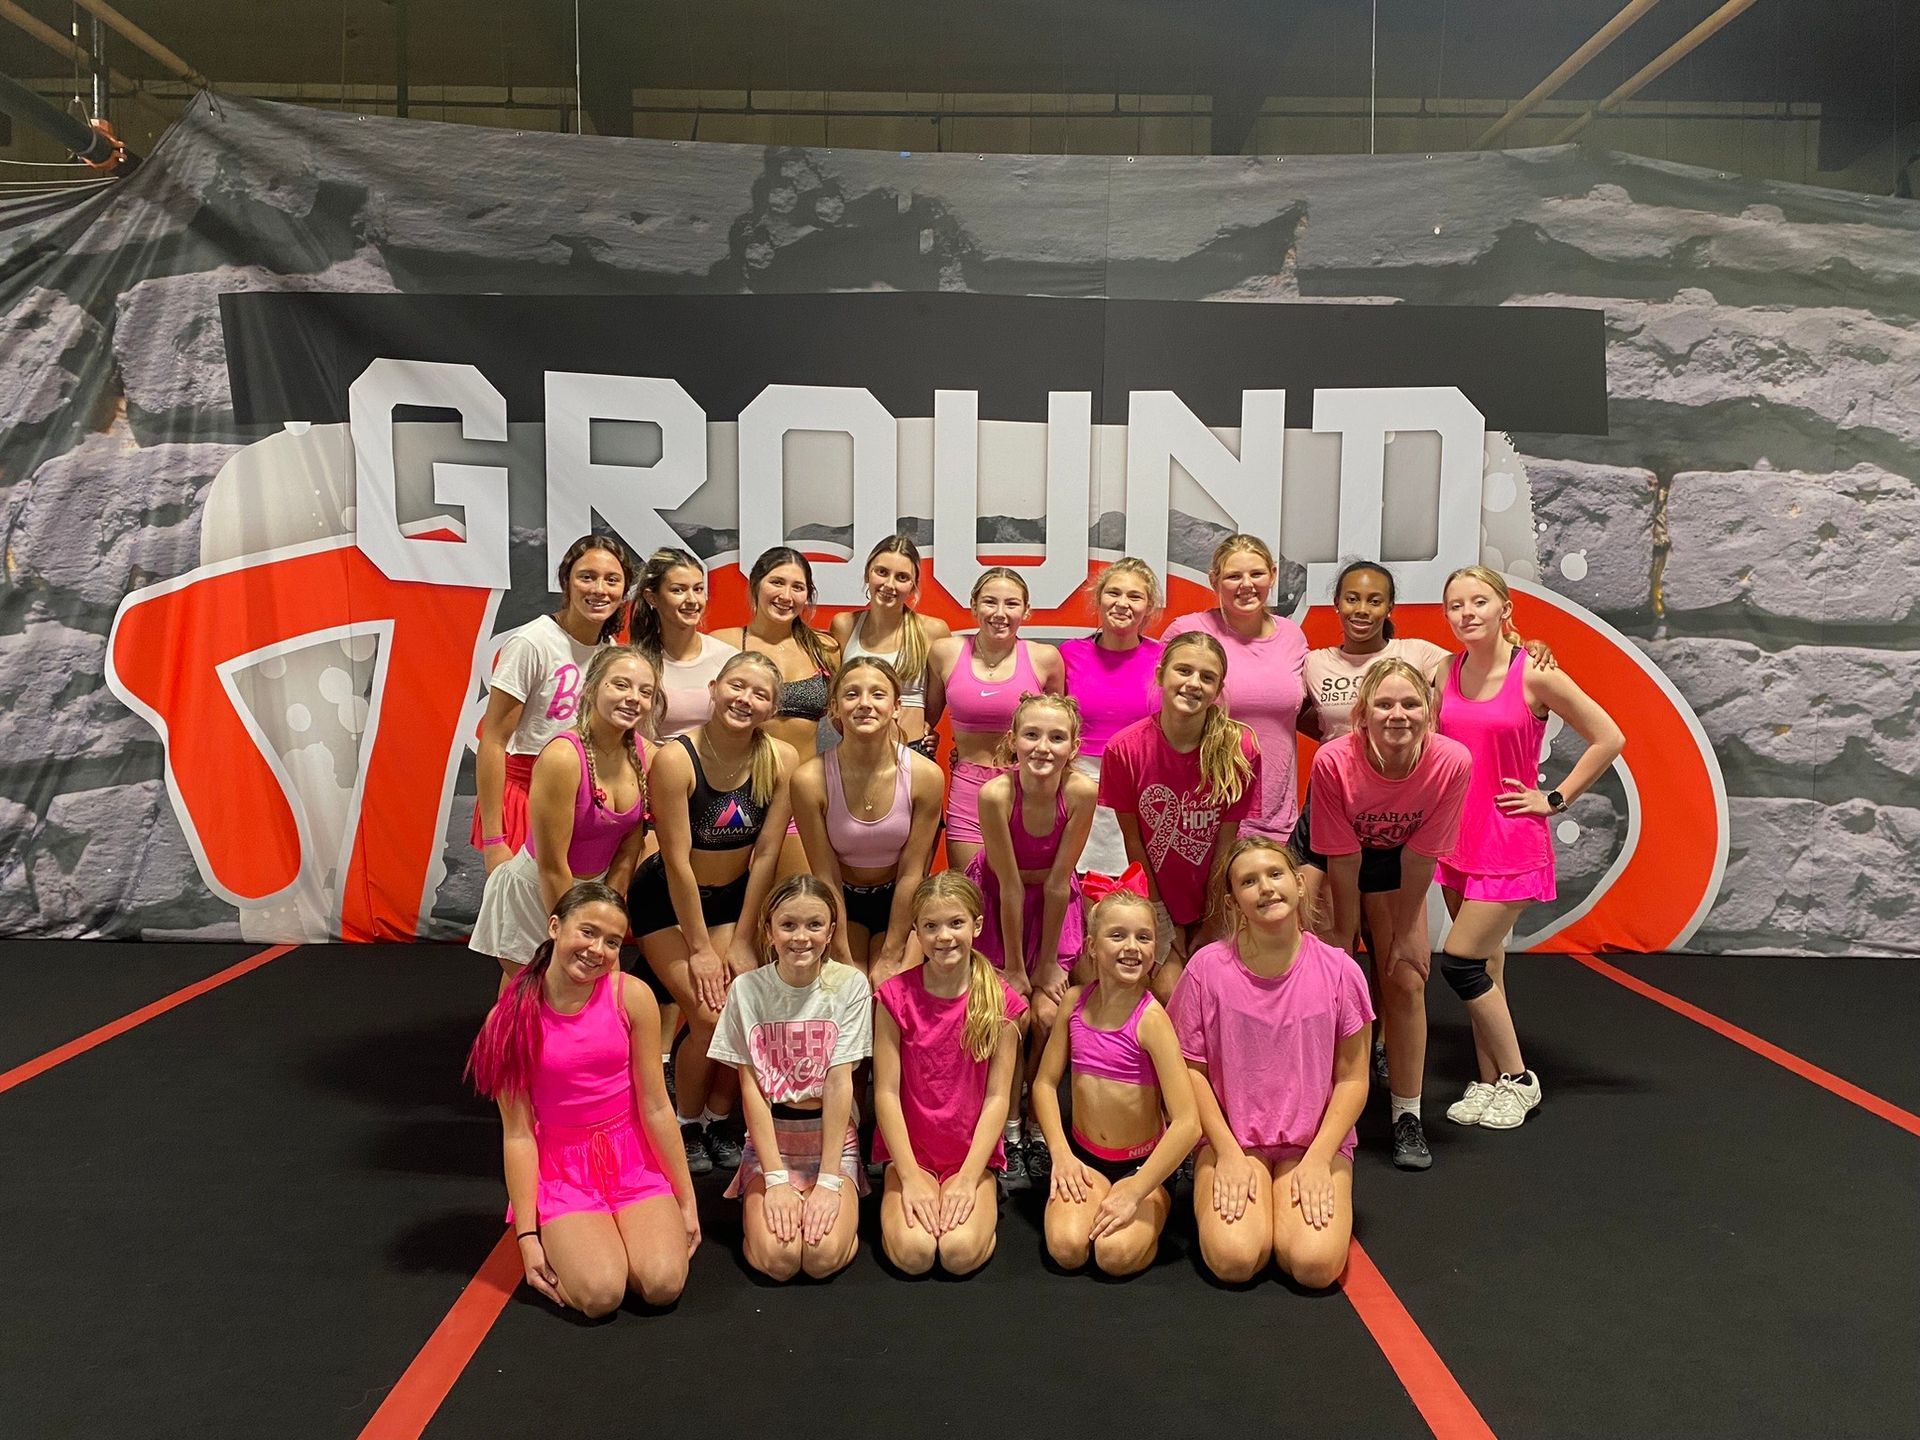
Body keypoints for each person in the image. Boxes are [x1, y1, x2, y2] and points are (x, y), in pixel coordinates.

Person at [1433, 565, 1625, 1132]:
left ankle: (1518, 1078)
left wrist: (1555, 798)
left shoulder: (1535, 673)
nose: (1467, 612)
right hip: (1455, 840)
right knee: (1488, 967)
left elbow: (1609, 735)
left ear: (1504, 609)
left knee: (1461, 960)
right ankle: (1488, 1081)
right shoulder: (1445, 668)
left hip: (1510, 840)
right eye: (1455, 605)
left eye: (1479, 602)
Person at [466, 882, 700, 1317]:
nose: (597, 950)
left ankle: (622, 1237)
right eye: (588, 932)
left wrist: (686, 1200)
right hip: (563, 1168)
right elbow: (517, 1134)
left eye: (612, 942)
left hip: (631, 1157)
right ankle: (590, 1243)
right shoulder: (509, 1016)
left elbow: (654, 1105)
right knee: (600, 1295)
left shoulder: (630, 995)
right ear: (555, 927)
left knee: (663, 1283)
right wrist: (528, 1237)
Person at [1172, 840, 1372, 1289]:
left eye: (1275, 875)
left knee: (1315, 1266)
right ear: (1233, 902)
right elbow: (1190, 1072)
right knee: (1234, 1258)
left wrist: (1320, 1158)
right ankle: (1242, 1194)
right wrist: (1225, 1152)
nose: (1265, 888)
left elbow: (1354, 1078)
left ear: (1300, 885)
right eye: (1248, 881)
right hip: (1233, 1139)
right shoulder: (1206, 970)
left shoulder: (1341, 971)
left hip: (1312, 1141)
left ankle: (1286, 1198)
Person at [630, 650, 797, 1176]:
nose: (745, 700)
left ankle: (719, 1118)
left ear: (772, 708)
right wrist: (701, 949)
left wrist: (745, 939)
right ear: (714, 686)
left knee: (745, 1009)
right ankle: (683, 1122)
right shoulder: (676, 759)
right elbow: (676, 860)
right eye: (737, 687)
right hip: (667, 903)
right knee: (706, 1015)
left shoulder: (782, 760)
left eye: (760, 694)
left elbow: (766, 854)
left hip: (732, 901)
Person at [1308, 659, 1471, 1171]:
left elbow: (1421, 856)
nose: (1397, 714)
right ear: (1362, 714)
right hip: (1328, 854)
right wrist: (1342, 936)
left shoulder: (1452, 761)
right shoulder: (1334, 760)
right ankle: (1315, 1105)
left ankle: (1407, 1114)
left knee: (1405, 978)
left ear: (1430, 713)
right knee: (1323, 976)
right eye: (1384, 704)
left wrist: (1404, 934)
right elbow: (1343, 857)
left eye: (1409, 704)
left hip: (1400, 860)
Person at [708, 875, 872, 1283]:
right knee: (778, 1262)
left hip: (830, 1137)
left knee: (820, 1259)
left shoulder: (850, 986)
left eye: (815, 925)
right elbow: (752, 1090)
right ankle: (769, 1208)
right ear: (769, 929)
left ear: (831, 930)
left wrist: (829, 1181)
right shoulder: (747, 990)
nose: (802, 937)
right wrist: (777, 1179)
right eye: (789, 925)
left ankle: (837, 1212)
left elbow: (838, 1084)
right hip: (772, 1141)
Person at [1030, 885, 1199, 1277]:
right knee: (1067, 1249)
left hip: (1142, 1168)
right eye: (1117, 935)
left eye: (1143, 937)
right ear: (1091, 945)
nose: (1131, 947)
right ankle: (1099, 1196)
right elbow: (1043, 1084)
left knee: (1114, 1256)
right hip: (1083, 1158)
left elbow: (1188, 1123)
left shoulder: (1152, 1020)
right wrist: (1061, 1154)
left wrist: (1137, 1189)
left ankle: (1153, 1206)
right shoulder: (1074, 1002)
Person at [965, 692, 1096, 1186]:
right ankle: (1008, 1125)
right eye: (1032, 736)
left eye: (1056, 737)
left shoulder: (1080, 793)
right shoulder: (996, 795)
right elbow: (1011, 886)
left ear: (1073, 746)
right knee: (1008, 1012)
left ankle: (1038, 1123)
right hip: (1003, 902)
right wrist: (1018, 968)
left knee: (1049, 1014)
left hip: (1053, 905)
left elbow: (1060, 883)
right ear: (1012, 743)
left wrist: (1046, 966)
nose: (1043, 747)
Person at [871, 873, 1026, 1277]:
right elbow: (885, 1093)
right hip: (912, 1154)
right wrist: (908, 1174)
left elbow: (997, 1098)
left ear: (976, 925)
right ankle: (908, 1188)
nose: (944, 937)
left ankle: (983, 1193)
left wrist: (969, 1177)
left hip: (969, 1157)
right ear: (916, 932)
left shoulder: (1000, 1001)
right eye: (931, 926)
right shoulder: (894, 997)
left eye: (956, 923)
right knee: (913, 1254)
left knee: (958, 1254)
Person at [471, 646, 657, 979]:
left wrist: (606, 914)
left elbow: (629, 848)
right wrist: (577, 932)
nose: (633, 698)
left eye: (645, 692)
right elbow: (553, 865)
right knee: (533, 1001)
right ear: (592, 688)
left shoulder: (648, 757)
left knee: (572, 1005)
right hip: (537, 891)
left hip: (594, 893)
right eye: (620, 685)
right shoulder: (562, 757)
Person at [1097, 632, 1261, 999]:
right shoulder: (1124, 749)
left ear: (1218, 689)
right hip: (1157, 901)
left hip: (1213, 900)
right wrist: (1161, 921)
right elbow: (1133, 840)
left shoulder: (1241, 749)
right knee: (1172, 996)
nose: (1193, 684)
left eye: (1207, 677)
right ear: (1160, 675)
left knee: (1221, 997)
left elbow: (1226, 841)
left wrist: (1214, 917)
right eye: (1183, 670)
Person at [475, 534, 634, 871]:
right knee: (522, 915)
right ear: (567, 582)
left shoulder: (614, 654)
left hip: (586, 803)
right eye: (586, 577)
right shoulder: (532, 644)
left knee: (573, 915)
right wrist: (494, 839)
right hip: (527, 797)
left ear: (624, 590)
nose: (599, 589)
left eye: (612, 580)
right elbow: (494, 740)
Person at [791, 656, 945, 988]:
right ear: (834, 707)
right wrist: (841, 952)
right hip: (842, 899)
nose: (865, 704)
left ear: (897, 707)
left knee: (890, 986)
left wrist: (892, 953)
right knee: (851, 983)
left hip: (900, 898)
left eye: (877, 694)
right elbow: (825, 873)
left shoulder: (926, 775)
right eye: (851, 694)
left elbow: (911, 872)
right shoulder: (808, 780)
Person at [1162, 535, 1308, 844]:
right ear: (1214, 580)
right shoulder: (1188, 632)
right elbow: (1160, 719)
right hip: (1205, 815)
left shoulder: (1292, 637)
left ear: (1272, 574)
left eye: (1256, 574)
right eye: (1233, 576)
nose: (1246, 584)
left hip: (1278, 819)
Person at [925, 567, 1066, 873]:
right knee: (969, 895)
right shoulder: (945, 652)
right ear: (973, 605)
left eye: (1012, 604)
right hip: (967, 788)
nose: (1000, 613)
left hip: (1027, 789)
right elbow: (924, 719)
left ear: (1026, 611)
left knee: (1024, 894)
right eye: (990, 602)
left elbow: (1060, 731)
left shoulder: (1046, 659)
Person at [714, 546, 842, 877]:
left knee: (795, 904)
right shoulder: (724, 644)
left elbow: (847, 719)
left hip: (802, 797)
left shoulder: (825, 649)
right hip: (738, 792)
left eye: (797, 587)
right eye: (777, 582)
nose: (786, 595)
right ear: (755, 584)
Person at [1058, 557, 1165, 876]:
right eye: (1113, 593)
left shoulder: (1164, 658)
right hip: (1078, 786)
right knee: (1077, 887)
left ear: (1149, 607)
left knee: (1137, 892)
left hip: (1143, 787)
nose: (1122, 603)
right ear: (1098, 598)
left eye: (1134, 596)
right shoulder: (1069, 654)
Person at [824, 535, 952, 757]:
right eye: (881, 572)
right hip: (854, 752)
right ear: (867, 573)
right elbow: (835, 693)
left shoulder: (933, 631)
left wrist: (926, 730)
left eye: (902, 577)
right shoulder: (844, 625)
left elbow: (935, 705)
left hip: (911, 749)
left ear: (913, 585)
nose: (889, 585)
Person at [629, 547, 738, 739]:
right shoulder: (634, 663)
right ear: (652, 597)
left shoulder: (729, 659)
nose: (692, 600)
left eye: (698, 589)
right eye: (678, 590)